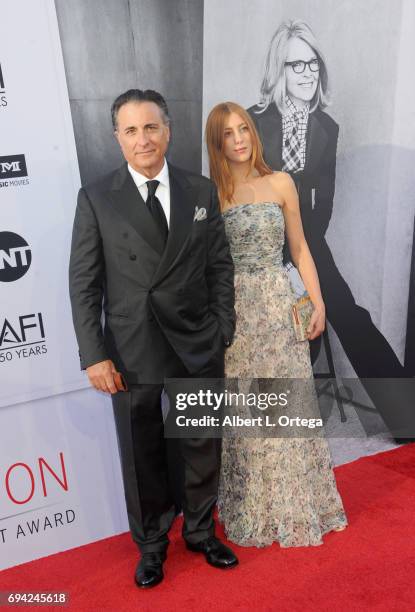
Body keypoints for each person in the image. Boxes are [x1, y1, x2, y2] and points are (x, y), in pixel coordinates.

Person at [69, 89, 238, 588]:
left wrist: (221, 325)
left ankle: (203, 530)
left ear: (167, 131)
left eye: (150, 127)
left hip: (196, 339)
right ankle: (151, 545)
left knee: (201, 441)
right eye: (130, 130)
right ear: (117, 138)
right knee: (141, 449)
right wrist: (94, 354)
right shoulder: (97, 197)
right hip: (132, 346)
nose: (142, 139)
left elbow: (219, 266)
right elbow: (84, 283)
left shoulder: (200, 191)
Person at [247, 19, 414, 439]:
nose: (306, 73)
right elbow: (239, 195)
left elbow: (326, 201)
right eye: (295, 65)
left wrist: (301, 252)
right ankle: (268, 433)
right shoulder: (251, 121)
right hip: (258, 246)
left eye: (312, 63)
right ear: (278, 71)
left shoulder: (326, 127)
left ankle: (407, 417)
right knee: (278, 327)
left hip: (306, 241)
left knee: (348, 314)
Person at [205, 101, 347, 547]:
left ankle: (298, 505)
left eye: (244, 129)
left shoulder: (281, 182)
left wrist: (317, 302)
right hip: (235, 314)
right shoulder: (211, 195)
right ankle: (252, 507)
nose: (240, 139)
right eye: (228, 133)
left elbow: (301, 249)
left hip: (279, 304)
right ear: (217, 143)